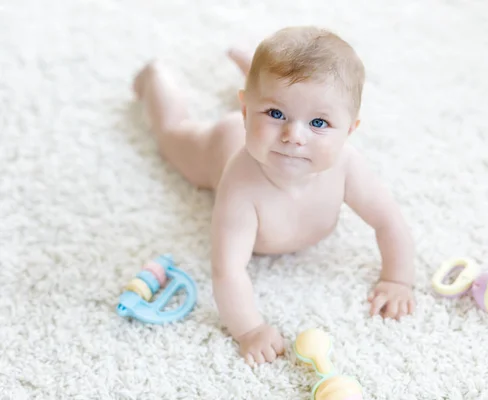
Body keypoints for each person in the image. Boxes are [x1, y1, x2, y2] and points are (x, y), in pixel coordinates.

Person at [132, 26, 415, 366]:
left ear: (350, 130)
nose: (293, 135)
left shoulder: (347, 165)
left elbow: (389, 221)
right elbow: (228, 269)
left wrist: (398, 278)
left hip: (258, 114)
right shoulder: (240, 184)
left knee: (288, 86)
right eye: (275, 114)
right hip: (220, 144)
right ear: (246, 112)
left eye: (319, 123)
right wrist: (250, 330)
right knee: (173, 137)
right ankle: (155, 77)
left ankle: (257, 75)